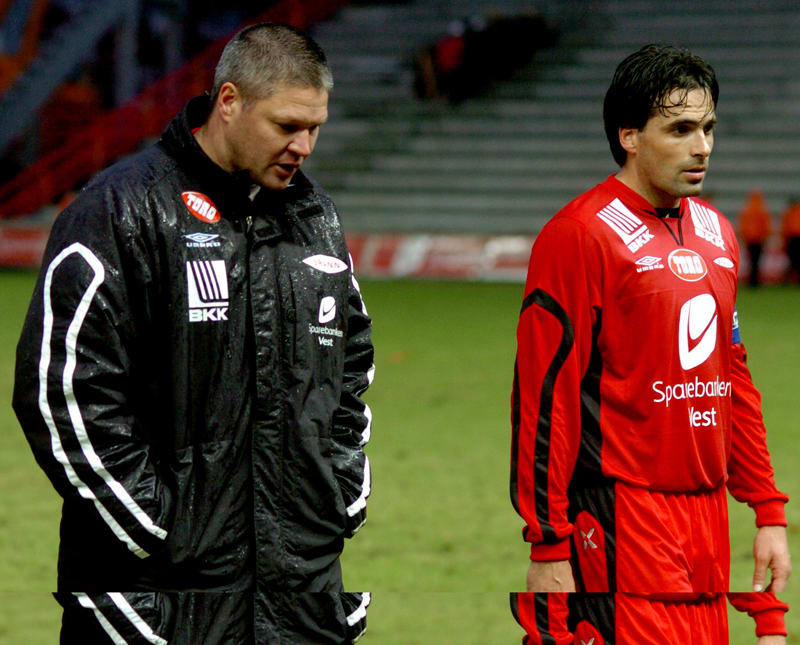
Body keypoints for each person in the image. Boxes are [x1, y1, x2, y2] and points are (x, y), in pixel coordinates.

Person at [13, 23, 373, 644]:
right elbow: (64, 390)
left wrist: (337, 496)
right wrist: (156, 526)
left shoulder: (315, 219)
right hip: (156, 601)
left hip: (298, 596)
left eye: (315, 127)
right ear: (228, 101)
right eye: (287, 126)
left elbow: (350, 367)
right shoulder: (121, 210)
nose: (304, 146)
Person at [509, 44, 790, 643]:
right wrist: (548, 540)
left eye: (708, 128)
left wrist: (766, 509)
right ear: (629, 136)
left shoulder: (717, 232)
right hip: (621, 518)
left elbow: (732, 378)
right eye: (681, 129)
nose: (702, 146)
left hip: (706, 525)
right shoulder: (579, 235)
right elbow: (544, 399)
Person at [737, 190, 772, 287]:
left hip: (749, 239)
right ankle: (756, 281)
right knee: (757, 261)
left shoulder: (746, 210)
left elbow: (743, 226)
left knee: (751, 261)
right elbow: (766, 226)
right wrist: (765, 237)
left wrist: (743, 237)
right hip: (759, 240)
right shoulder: (762, 210)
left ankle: (752, 281)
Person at [779, 196, 800, 282]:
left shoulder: (789, 212)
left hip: (792, 238)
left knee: (792, 260)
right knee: (794, 260)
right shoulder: (790, 212)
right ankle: (793, 277)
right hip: (793, 238)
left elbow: (785, 227)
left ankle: (790, 278)